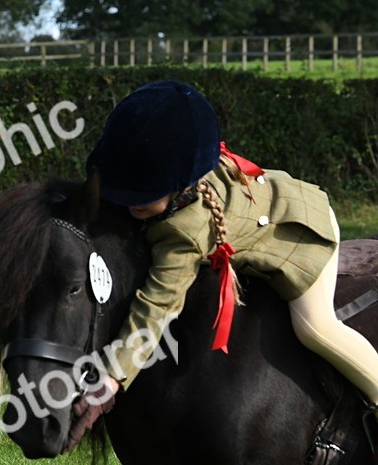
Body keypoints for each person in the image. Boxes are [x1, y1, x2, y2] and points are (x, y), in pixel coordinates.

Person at [84, 79, 378, 428]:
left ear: (182, 186)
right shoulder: (181, 172)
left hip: (301, 232)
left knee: (315, 328)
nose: (129, 201)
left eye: (142, 193)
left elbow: (157, 305)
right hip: (268, 204)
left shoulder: (185, 233)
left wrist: (114, 376)